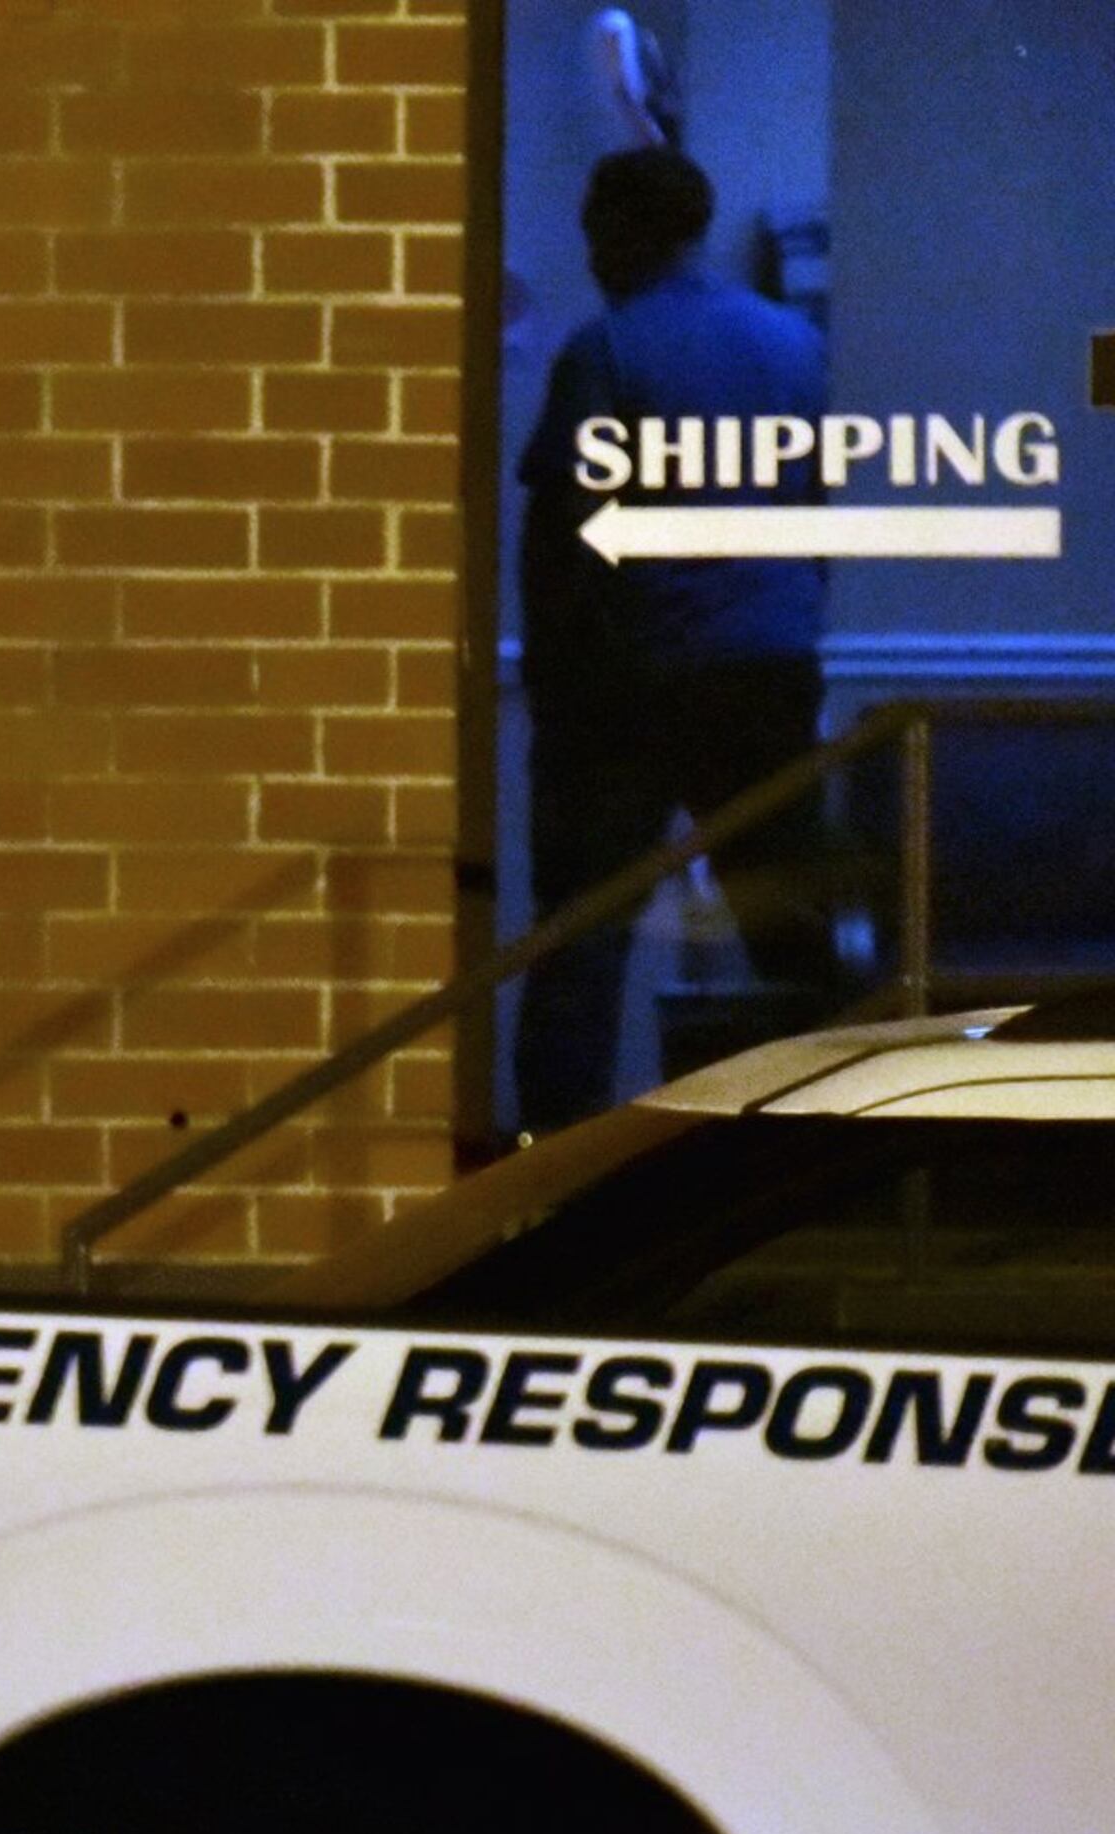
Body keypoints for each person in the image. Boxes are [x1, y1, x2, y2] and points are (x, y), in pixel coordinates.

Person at [513, 144, 836, 1134]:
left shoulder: (604, 351)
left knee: (583, 938)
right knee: (793, 933)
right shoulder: (793, 346)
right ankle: (840, 1155)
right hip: (767, 667)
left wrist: (555, 685)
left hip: (635, 677)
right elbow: (815, 511)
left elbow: (564, 539)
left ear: (619, 234)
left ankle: (558, 1179)